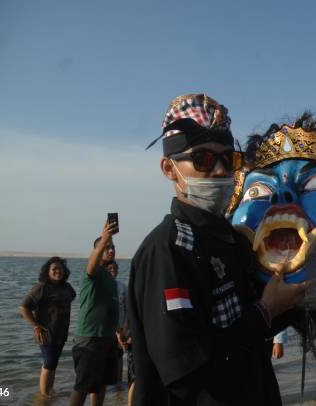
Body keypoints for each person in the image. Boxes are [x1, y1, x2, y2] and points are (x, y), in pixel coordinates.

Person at [128, 94, 306, 405]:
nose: (221, 170)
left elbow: (261, 319)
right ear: (169, 169)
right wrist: (265, 313)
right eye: (203, 159)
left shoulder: (235, 240)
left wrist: (308, 292)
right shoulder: (167, 249)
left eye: (229, 159)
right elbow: (184, 372)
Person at [70, 221, 119, 406]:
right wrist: (105, 237)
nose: (111, 250)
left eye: (113, 247)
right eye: (106, 248)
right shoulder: (93, 272)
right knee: (82, 386)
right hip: (90, 338)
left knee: (101, 384)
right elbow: (92, 263)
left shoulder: (110, 277)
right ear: (97, 250)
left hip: (107, 337)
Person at [20, 257, 76, 397]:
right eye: (54, 269)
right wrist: (36, 326)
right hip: (46, 332)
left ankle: (50, 391)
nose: (58, 271)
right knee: (49, 362)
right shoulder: (41, 287)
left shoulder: (67, 287)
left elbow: (72, 298)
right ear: (48, 271)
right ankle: (44, 395)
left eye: (61, 269)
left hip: (61, 332)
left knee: (54, 363)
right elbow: (24, 307)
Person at [107, 261, 127, 386]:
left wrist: (124, 330)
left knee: (119, 356)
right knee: (106, 358)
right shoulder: (102, 286)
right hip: (107, 329)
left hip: (121, 328)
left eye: (115, 268)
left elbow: (128, 309)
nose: (113, 270)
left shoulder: (122, 287)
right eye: (110, 268)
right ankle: (108, 385)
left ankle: (118, 384)